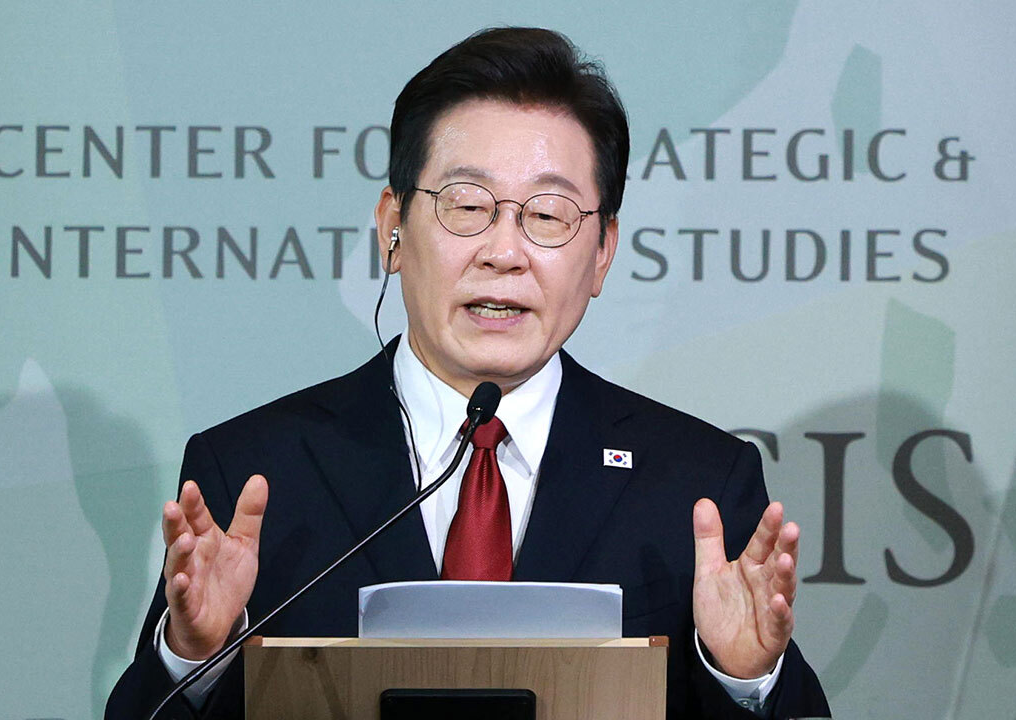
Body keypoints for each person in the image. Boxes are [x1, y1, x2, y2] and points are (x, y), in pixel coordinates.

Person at [107, 27, 831, 719]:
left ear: (603, 252)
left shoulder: (697, 486)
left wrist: (744, 680)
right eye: (468, 206)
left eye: (547, 215)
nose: (504, 252)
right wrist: (193, 659)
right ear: (392, 228)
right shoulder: (255, 473)